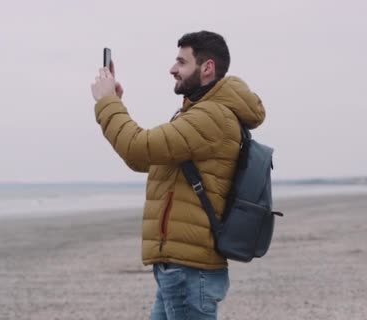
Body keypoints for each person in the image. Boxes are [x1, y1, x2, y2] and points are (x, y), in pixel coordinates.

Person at [91, 31, 266, 320]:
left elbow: (139, 149)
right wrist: (117, 105)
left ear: (207, 67)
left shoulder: (211, 116)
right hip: (181, 266)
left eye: (181, 62)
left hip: (188, 269)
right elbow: (150, 158)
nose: (172, 69)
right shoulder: (198, 113)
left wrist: (107, 103)